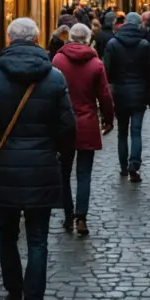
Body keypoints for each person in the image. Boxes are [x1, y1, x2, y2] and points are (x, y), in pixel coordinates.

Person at [0, 18, 76, 300]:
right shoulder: (55, 79)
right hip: (42, 167)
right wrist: (53, 151)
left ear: (8, 39)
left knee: (7, 234)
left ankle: (14, 294)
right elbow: (68, 127)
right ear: (38, 39)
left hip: (6, 170)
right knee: (39, 239)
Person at [52, 23, 114, 235]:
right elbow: (104, 95)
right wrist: (108, 119)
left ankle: (68, 215)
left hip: (62, 123)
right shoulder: (96, 63)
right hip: (87, 122)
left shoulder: (58, 60)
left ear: (69, 37)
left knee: (64, 172)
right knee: (84, 173)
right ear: (88, 39)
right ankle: (81, 216)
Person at [103, 12, 150, 182]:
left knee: (122, 132)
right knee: (136, 131)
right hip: (139, 92)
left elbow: (107, 71)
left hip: (120, 93)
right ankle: (134, 164)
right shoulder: (144, 44)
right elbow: (149, 70)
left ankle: (124, 167)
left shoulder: (113, 44)